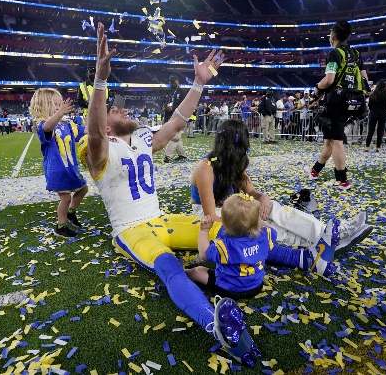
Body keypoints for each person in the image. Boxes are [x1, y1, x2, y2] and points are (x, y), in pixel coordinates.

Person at [79, 22, 261, 366]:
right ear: (105, 124)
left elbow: (177, 121)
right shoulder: (100, 149)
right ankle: (216, 325)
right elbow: (96, 131)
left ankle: (308, 257)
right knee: (171, 270)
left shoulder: (144, 139)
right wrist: (100, 80)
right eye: (117, 111)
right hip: (132, 231)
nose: (124, 109)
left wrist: (197, 83)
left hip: (162, 220)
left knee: (227, 224)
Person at [190, 119, 373, 255]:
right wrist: (253, 220)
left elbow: (252, 192)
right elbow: (211, 215)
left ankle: (328, 233)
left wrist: (263, 198)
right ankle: (323, 241)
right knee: (263, 225)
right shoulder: (205, 169)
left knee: (274, 209)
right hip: (208, 216)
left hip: (231, 207)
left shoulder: (233, 163)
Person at [186, 194, 339, 300]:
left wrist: (204, 231)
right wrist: (258, 221)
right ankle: (309, 258)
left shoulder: (224, 245)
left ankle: (183, 273)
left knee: (198, 270)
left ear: (223, 222)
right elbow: (269, 228)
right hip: (256, 286)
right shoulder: (266, 235)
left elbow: (204, 254)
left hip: (230, 289)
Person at [309, 20, 369, 189]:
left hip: (337, 102)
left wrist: (316, 90)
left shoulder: (335, 53)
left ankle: (342, 180)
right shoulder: (356, 53)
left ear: (333, 36)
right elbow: (365, 79)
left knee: (336, 141)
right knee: (329, 139)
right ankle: (315, 171)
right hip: (353, 101)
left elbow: (329, 79)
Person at [29, 88, 88, 238]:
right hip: (57, 169)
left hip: (70, 167)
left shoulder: (67, 124)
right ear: (41, 106)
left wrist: (100, 128)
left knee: (83, 189)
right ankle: (61, 225)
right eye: (54, 104)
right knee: (66, 198)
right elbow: (47, 127)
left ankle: (71, 212)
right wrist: (60, 113)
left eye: (59, 104)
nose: (58, 107)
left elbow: (83, 130)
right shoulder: (42, 124)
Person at [162, 75, 188, 163]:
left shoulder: (182, 92)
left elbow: (184, 105)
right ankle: (182, 155)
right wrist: (164, 107)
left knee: (174, 137)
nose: (171, 84)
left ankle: (167, 156)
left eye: (173, 82)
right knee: (176, 137)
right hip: (168, 117)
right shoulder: (168, 92)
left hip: (178, 117)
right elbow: (163, 102)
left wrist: (173, 108)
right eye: (170, 82)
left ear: (177, 81)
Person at [365, 79, 386, 152]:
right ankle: (378, 147)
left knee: (371, 131)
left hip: (373, 113)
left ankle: (367, 147)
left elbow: (370, 105)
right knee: (380, 131)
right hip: (382, 114)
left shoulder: (373, 94)